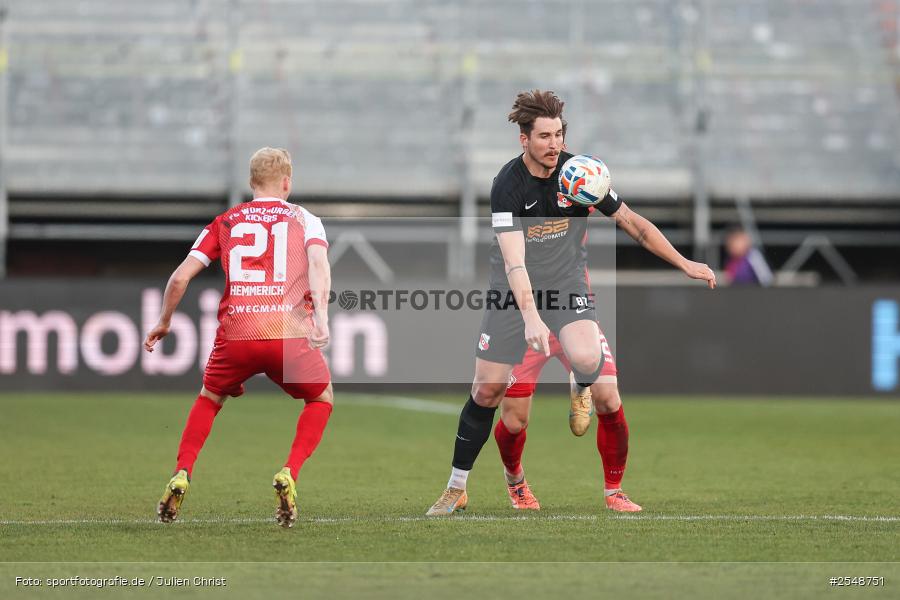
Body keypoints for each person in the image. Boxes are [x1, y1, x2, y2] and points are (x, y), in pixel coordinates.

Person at [426, 90, 716, 516]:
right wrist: (530, 319)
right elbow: (514, 262)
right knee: (490, 393)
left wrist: (683, 262)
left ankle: (586, 406)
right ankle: (457, 486)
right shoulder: (507, 186)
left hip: (566, 287)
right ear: (524, 140)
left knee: (591, 366)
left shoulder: (579, 174)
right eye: (544, 136)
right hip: (513, 295)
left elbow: (632, 223)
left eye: (559, 134)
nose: (554, 144)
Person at [144, 147, 333, 528]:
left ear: (251, 183)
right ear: (287, 182)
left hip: (239, 333)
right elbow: (317, 263)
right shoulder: (305, 219)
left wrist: (164, 321)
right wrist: (322, 319)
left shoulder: (226, 220)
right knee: (321, 397)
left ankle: (182, 472)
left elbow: (180, 277)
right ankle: (289, 472)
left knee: (210, 398)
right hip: (287, 333)